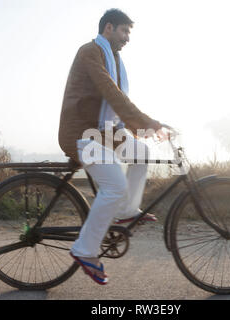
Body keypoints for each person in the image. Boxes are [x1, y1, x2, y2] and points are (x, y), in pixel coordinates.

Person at [58, 8, 169, 285]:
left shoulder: (115, 60)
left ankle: (125, 212)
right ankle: (85, 250)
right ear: (108, 28)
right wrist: (148, 122)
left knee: (141, 153)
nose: (127, 39)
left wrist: (147, 127)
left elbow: (117, 103)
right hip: (81, 133)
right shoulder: (90, 52)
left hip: (104, 132)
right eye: (124, 32)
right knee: (115, 186)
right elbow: (111, 93)